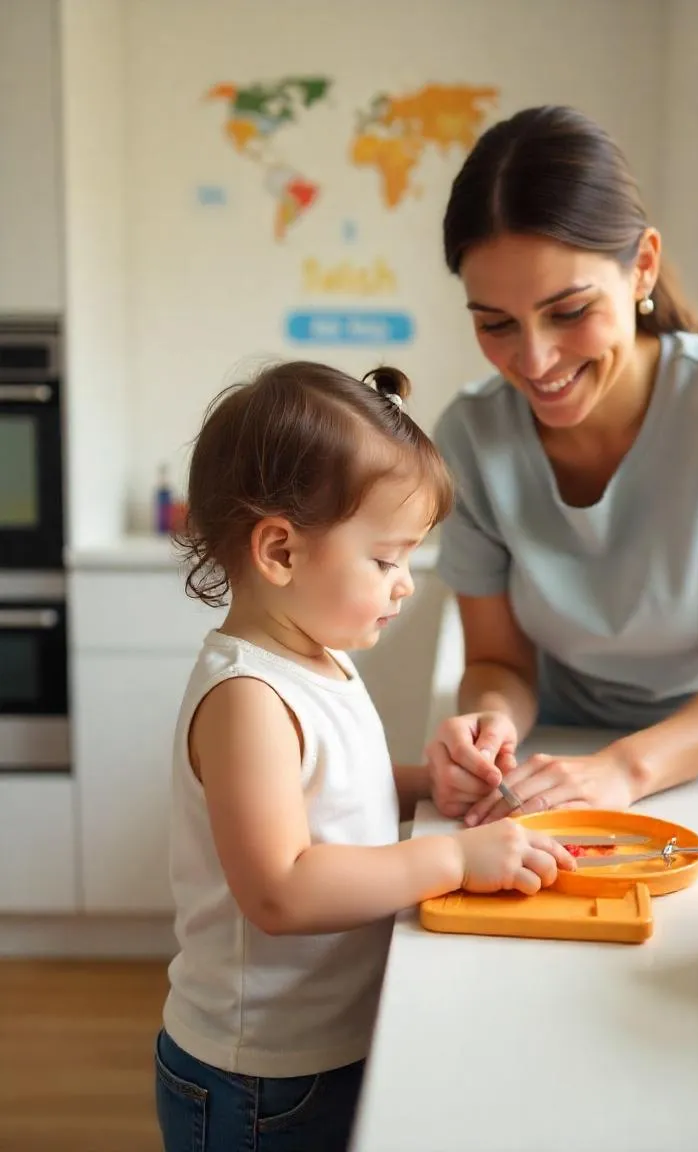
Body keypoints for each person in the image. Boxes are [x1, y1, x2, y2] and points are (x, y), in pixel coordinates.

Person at [153, 360, 574, 1152]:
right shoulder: (247, 697)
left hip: (323, 1047)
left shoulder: (317, 658)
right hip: (257, 1081)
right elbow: (281, 888)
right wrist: (455, 858)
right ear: (280, 550)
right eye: (386, 559)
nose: (406, 584)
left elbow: (323, 793)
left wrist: (428, 786)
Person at [424, 104, 698, 828]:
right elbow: (501, 664)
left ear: (642, 265)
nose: (534, 360)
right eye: (495, 323)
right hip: (560, 753)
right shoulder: (470, 435)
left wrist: (626, 768)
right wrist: (491, 724)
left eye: (568, 311)